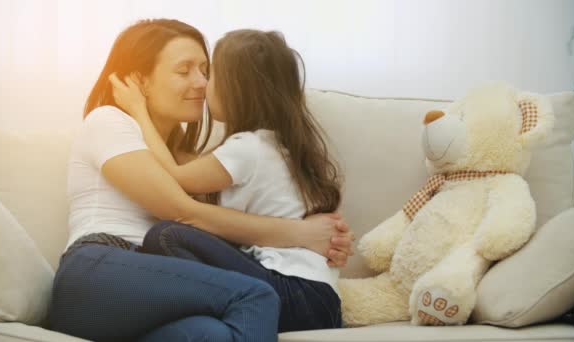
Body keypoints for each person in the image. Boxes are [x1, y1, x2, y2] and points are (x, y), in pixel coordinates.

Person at [47, 19, 353, 342]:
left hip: (160, 285)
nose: (201, 82)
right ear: (140, 80)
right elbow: (179, 211)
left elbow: (231, 230)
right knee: (255, 297)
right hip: (98, 273)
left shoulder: (188, 158)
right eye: (184, 71)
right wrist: (300, 234)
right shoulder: (109, 122)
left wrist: (328, 238)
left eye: (205, 70)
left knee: (211, 334)